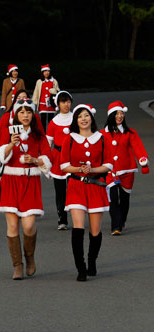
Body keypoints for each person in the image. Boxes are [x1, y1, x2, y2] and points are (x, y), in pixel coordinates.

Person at [0, 99, 52, 280]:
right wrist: (11, 143)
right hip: (10, 181)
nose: (25, 115)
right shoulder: (7, 132)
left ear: (33, 115)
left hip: (30, 182)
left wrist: (34, 160)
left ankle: (30, 257)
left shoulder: (39, 136)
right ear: (16, 115)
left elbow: (48, 160)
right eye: (21, 112)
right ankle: (17, 266)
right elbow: (1, 156)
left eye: (28, 112)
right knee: (12, 225)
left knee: (28, 226)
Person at [60, 104, 113, 281]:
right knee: (78, 227)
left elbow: (109, 164)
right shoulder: (70, 138)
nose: (83, 119)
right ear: (75, 120)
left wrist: (94, 169)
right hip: (76, 186)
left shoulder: (102, 138)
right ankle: (80, 267)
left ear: (91, 118)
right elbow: (63, 165)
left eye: (86, 115)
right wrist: (78, 168)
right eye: (80, 116)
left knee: (95, 231)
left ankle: (92, 261)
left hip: (96, 186)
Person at [101, 101, 150, 235]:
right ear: (111, 115)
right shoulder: (102, 134)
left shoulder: (130, 133)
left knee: (125, 199)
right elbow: (97, 151)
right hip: (110, 171)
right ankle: (115, 226)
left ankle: (121, 220)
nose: (120, 116)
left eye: (122, 113)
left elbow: (138, 148)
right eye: (117, 113)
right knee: (112, 197)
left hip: (127, 170)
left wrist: (143, 162)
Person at [0, 89, 46, 163]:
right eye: (19, 98)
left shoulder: (34, 116)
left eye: (24, 98)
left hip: (30, 153)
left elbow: (42, 135)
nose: (22, 100)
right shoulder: (7, 116)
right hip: (10, 151)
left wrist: (43, 156)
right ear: (15, 100)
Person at [46, 90, 73, 230]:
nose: (66, 104)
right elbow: (47, 143)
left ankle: (77, 215)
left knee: (74, 189)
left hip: (74, 158)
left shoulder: (76, 118)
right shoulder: (53, 122)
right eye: (63, 102)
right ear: (58, 104)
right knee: (60, 191)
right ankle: (62, 219)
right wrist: (46, 162)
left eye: (68, 101)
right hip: (58, 158)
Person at [31, 64, 59, 129]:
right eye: (45, 71)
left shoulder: (54, 81)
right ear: (42, 73)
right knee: (42, 120)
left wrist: (54, 90)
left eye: (48, 71)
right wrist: (34, 101)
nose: (46, 73)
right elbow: (36, 92)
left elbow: (58, 90)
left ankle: (50, 134)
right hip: (42, 104)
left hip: (51, 104)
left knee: (51, 120)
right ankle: (43, 134)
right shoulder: (39, 81)